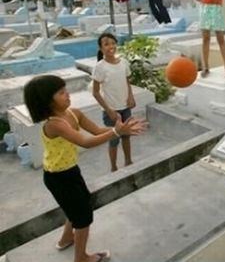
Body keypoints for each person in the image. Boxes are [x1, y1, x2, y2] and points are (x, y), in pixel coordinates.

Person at [23, 75, 146, 262]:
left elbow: (96, 131)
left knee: (79, 206)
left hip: (70, 170)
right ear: (47, 100)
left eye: (66, 90)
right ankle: (81, 258)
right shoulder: (54, 124)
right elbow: (86, 142)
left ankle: (66, 239)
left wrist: (121, 128)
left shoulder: (74, 113)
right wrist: (115, 132)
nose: (67, 94)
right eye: (61, 92)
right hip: (57, 177)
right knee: (83, 217)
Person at [92, 33, 136, 172]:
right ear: (101, 48)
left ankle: (128, 161)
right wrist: (109, 110)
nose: (110, 46)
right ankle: (113, 167)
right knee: (113, 140)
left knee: (126, 137)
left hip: (125, 108)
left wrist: (130, 97)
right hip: (112, 112)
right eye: (106, 44)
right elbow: (96, 92)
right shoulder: (100, 67)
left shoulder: (123, 63)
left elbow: (127, 81)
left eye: (112, 43)